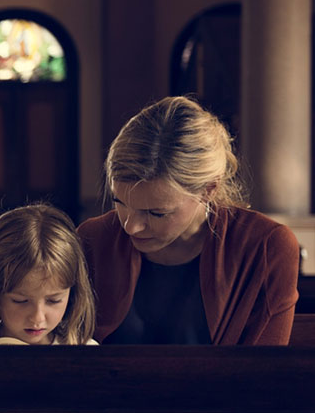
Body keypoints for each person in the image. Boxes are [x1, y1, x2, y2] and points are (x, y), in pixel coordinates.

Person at [77, 96, 299, 345]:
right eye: (120, 203)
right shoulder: (93, 239)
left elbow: (262, 374)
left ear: (208, 190)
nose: (130, 226)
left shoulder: (266, 247)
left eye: (156, 213)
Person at [0, 204, 96, 345]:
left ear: (72, 294)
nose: (37, 318)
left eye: (54, 300)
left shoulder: (85, 349)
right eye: (20, 301)